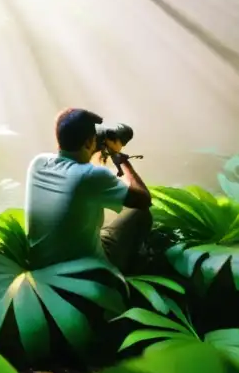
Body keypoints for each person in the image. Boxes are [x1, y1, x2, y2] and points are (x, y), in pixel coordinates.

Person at [25, 108, 152, 272]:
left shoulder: (38, 163)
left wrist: (94, 144)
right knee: (140, 213)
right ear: (88, 142)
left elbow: (75, 163)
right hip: (86, 270)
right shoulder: (92, 176)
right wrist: (121, 160)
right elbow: (143, 199)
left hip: (42, 266)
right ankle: (130, 270)